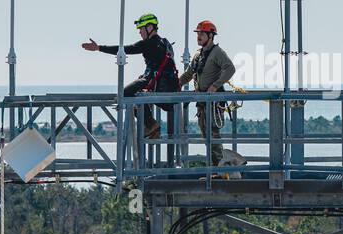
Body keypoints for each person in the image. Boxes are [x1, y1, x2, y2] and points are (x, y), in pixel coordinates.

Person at [82, 13, 178, 138]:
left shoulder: (149, 43)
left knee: (125, 94)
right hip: (166, 85)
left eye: (141, 29)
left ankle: (151, 125)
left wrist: (99, 48)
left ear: (149, 28)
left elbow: (126, 49)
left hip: (157, 82)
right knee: (135, 97)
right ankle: (153, 129)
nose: (139, 32)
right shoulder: (164, 42)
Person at [177, 20, 244, 166]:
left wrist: (215, 85)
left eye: (202, 33)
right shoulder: (198, 55)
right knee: (207, 136)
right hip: (202, 103)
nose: (199, 36)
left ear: (211, 36)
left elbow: (230, 68)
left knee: (213, 135)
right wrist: (178, 83)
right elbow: (189, 73)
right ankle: (216, 167)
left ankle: (220, 167)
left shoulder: (217, 52)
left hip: (213, 102)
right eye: (198, 33)